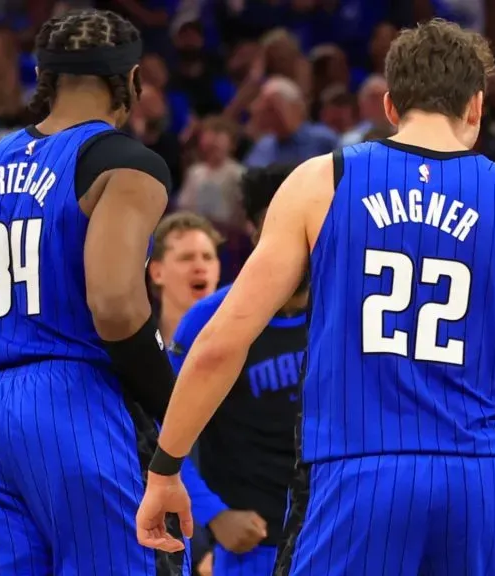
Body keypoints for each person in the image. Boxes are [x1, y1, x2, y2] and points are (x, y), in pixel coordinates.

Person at [135, 18, 495, 576]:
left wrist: (165, 471)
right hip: (477, 482)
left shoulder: (321, 182)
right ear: (476, 107)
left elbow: (219, 344)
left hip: (359, 473)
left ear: (389, 106)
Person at [0, 9, 191, 575]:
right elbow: (114, 305)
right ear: (132, 80)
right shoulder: (127, 163)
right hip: (79, 406)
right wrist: (171, 409)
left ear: (43, 78)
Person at [168, 164, 306, 576]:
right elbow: (157, 422)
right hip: (250, 548)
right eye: (278, 227)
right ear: (252, 231)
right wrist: (214, 513)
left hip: (333, 536)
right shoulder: (210, 319)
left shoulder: (346, 315)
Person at [147, 211, 222, 343]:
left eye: (207, 257)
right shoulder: (139, 347)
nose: (200, 267)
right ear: (157, 273)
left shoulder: (243, 344)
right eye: (186, 258)